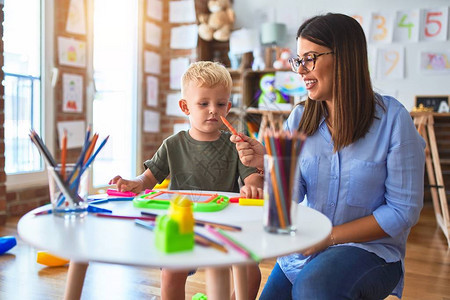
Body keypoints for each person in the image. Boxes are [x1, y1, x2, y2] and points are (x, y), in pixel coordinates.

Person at [231, 13, 425, 299]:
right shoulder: (298, 119)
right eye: (298, 60)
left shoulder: (394, 120)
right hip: (303, 253)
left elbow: (402, 211)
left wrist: (329, 237)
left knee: (314, 288)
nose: (300, 70)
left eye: (309, 58)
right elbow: (290, 199)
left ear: (345, 57)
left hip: (371, 252)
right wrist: (269, 165)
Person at [109, 61, 263, 300]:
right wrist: (136, 183)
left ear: (228, 107)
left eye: (220, 104)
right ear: (185, 106)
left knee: (251, 272)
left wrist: (253, 186)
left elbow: (253, 177)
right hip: (183, 224)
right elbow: (148, 178)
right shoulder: (173, 144)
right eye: (203, 103)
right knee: (170, 274)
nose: (213, 110)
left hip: (225, 224)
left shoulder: (236, 143)